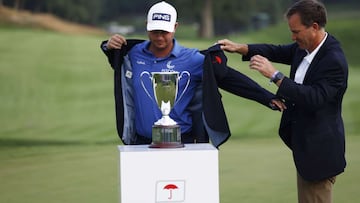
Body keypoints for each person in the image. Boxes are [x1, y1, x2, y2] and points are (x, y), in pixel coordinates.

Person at [101, 1, 284, 147]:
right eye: (155, 31)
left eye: (164, 32)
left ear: (175, 27)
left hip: (183, 143)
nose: (159, 37)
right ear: (147, 26)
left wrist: (266, 97)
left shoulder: (192, 59)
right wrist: (108, 47)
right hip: (141, 142)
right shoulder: (132, 53)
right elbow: (116, 62)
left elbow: (229, 78)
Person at [218, 0, 348, 202]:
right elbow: (276, 50)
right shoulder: (304, 48)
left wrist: (275, 75)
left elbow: (314, 98)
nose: (292, 37)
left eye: (296, 32)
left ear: (314, 27)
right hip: (306, 148)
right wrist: (241, 48)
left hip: (320, 153)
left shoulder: (333, 60)